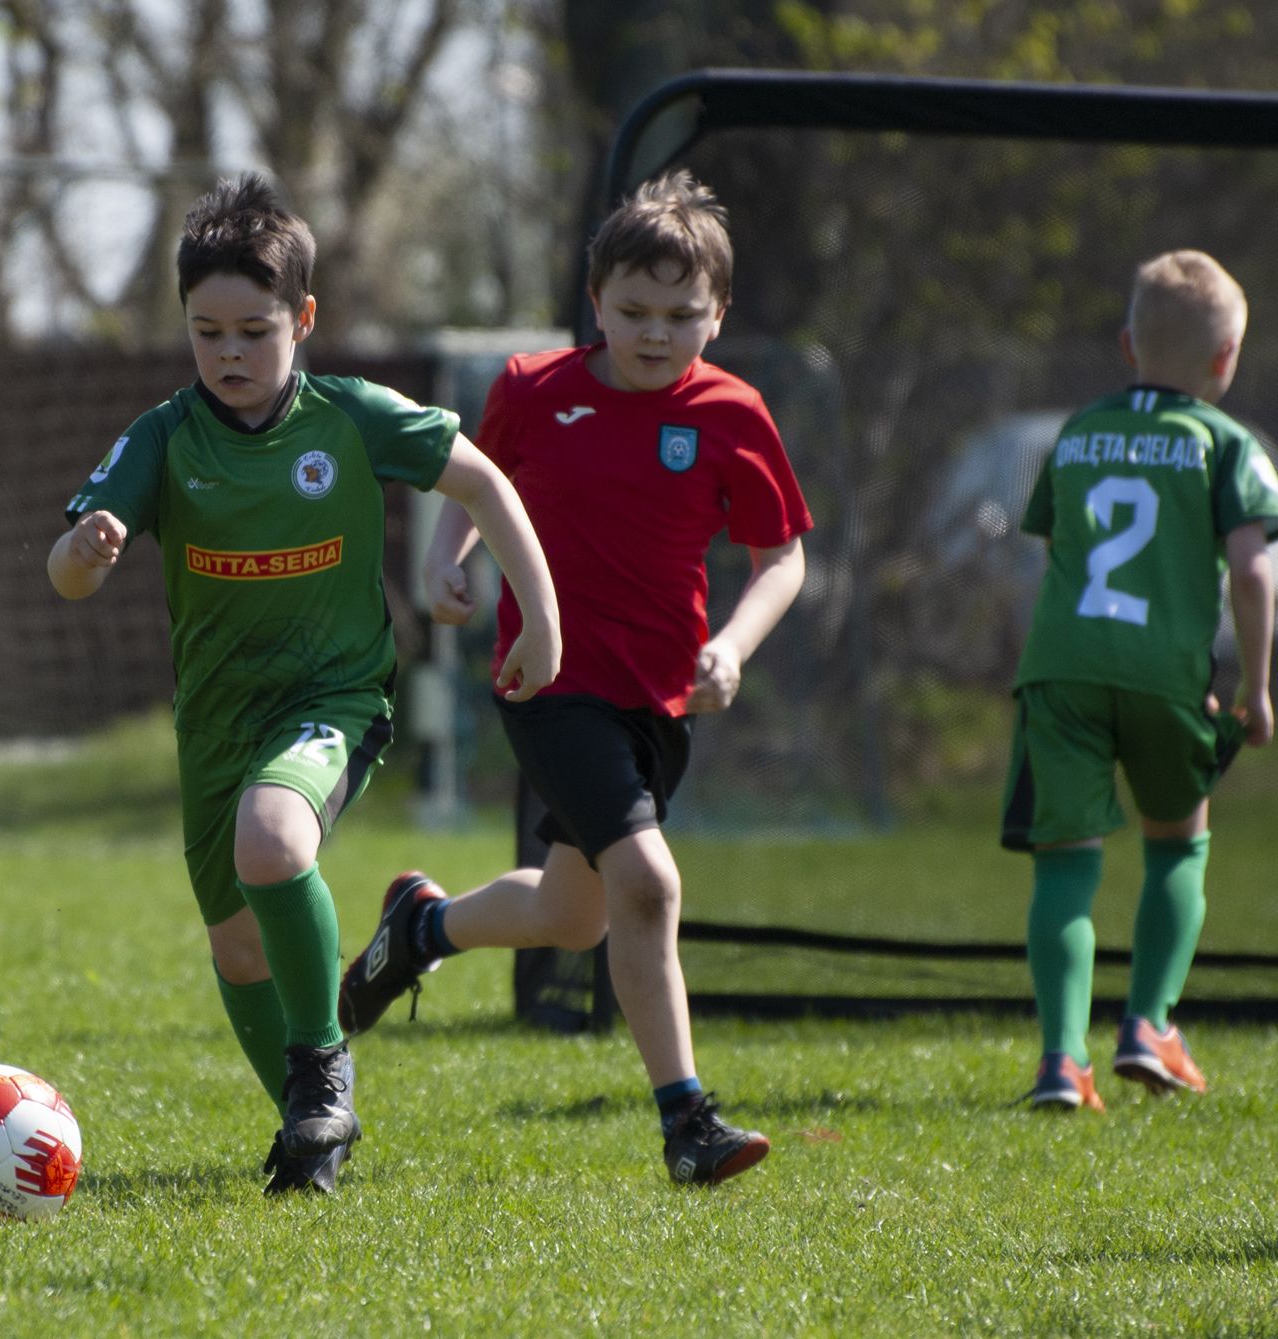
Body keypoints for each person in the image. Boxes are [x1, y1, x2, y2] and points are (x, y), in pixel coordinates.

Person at [49, 173, 560, 1194]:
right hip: (215, 723)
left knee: (274, 842)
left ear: (305, 319)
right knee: (239, 950)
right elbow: (65, 576)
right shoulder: (163, 437)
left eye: (254, 330)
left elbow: (483, 481)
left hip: (335, 699)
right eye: (207, 333)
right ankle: (310, 1134)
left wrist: (540, 619)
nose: (229, 353)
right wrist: (87, 550)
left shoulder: (350, 417)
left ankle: (323, 1066)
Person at [339, 170, 810, 1185]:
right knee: (649, 881)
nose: (654, 333)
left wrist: (732, 646)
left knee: (575, 914)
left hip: (660, 698)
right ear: (594, 302)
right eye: (632, 311)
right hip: (548, 679)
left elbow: (782, 558)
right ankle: (687, 1121)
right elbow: (475, 481)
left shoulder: (733, 413)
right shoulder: (533, 388)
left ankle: (420, 927)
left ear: (718, 315)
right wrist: (445, 557)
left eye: (679, 316)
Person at [1005, 250, 1278, 1112]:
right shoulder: (1228, 444)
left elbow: (1055, 547)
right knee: (1178, 841)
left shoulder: (1077, 431)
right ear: (1227, 357)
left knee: (1064, 865)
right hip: (1165, 673)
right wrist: (1257, 687)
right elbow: (1256, 572)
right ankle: (1150, 1024)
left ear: (1127, 344)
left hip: (1062, 668)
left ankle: (1060, 1060)